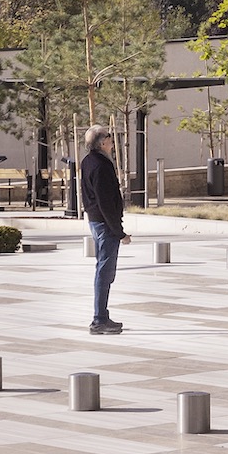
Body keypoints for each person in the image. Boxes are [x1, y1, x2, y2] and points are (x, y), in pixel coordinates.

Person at [77, 124, 126, 333]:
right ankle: (98, 319)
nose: (113, 142)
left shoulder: (88, 161)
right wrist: (119, 231)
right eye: (110, 138)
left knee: (104, 270)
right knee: (105, 271)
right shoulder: (101, 166)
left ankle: (103, 316)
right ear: (102, 142)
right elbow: (105, 201)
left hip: (96, 221)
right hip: (105, 224)